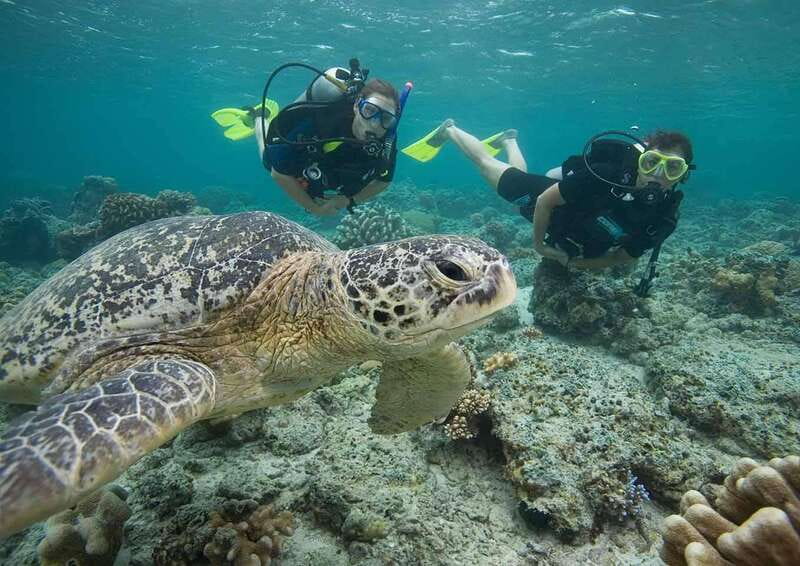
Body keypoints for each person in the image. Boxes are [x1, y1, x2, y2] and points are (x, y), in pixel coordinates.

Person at [403, 120, 694, 272]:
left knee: (518, 175)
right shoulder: (606, 174)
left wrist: (574, 263)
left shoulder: (664, 218)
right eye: (651, 162)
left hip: (564, 222)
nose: (658, 174)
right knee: (487, 166)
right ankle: (450, 130)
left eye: (672, 168)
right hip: (544, 201)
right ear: (640, 162)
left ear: (682, 176)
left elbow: (623, 257)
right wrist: (540, 247)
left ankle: (509, 140)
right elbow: (545, 201)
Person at [212, 61, 407, 217]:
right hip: (302, 150)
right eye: (370, 111)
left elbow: (384, 181)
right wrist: (315, 209)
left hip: (329, 166)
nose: (375, 123)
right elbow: (278, 173)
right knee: (267, 158)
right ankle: (258, 117)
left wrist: (349, 201)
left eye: (385, 118)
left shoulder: (387, 136)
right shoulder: (326, 119)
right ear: (357, 105)